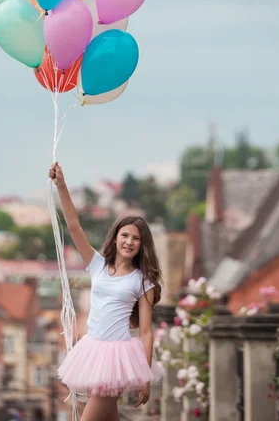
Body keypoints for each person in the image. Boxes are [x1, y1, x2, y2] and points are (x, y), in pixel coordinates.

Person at [48, 162, 163, 421]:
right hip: (92, 349)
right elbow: (75, 227)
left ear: (142, 246)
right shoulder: (98, 265)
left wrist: (145, 377)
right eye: (125, 235)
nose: (129, 242)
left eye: (136, 239)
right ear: (115, 238)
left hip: (118, 355)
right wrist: (62, 186)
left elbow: (145, 332)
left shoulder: (143, 281)